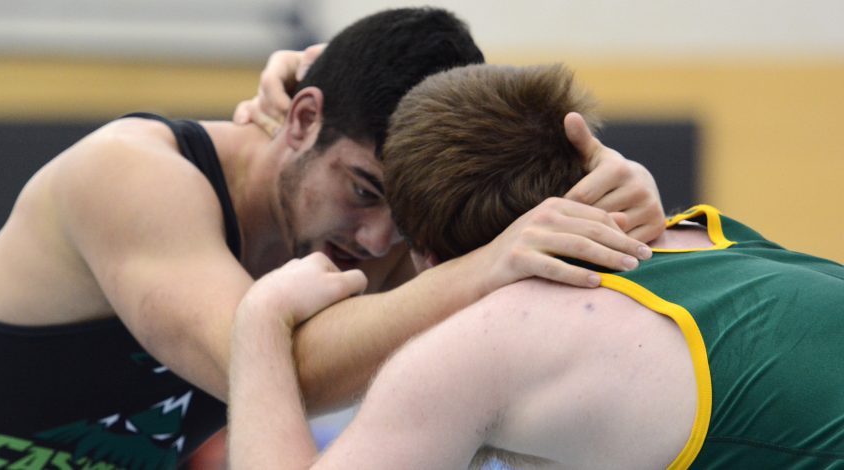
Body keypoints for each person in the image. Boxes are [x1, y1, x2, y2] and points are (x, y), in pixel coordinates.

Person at [0, 9, 662, 469]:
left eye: (403, 218)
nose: (376, 243)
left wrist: (615, 187)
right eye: (364, 191)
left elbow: (541, 248)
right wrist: (488, 264)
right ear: (301, 120)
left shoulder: (359, 215)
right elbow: (274, 372)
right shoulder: (131, 176)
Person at [227, 63, 844, 469]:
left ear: (428, 256)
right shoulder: (712, 235)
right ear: (590, 162)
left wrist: (259, 320)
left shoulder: (486, 341)